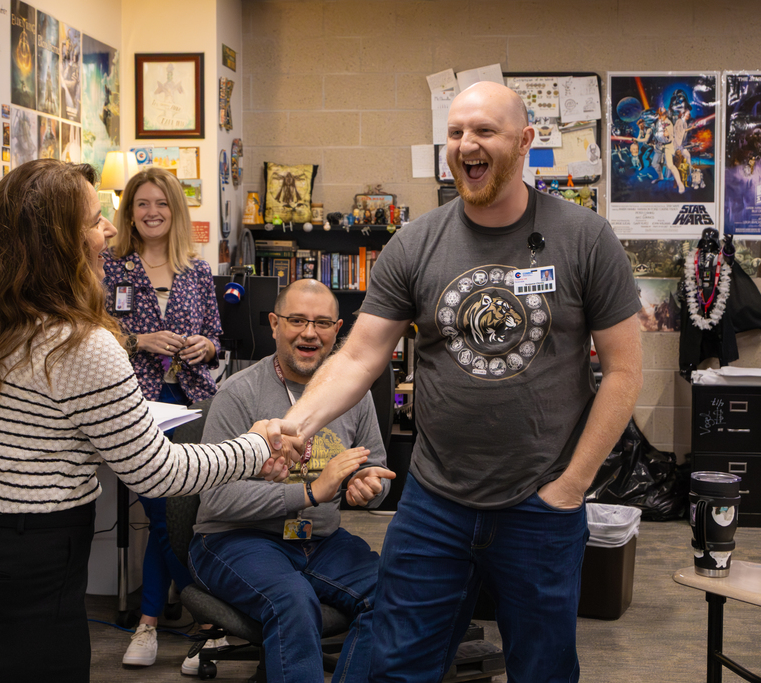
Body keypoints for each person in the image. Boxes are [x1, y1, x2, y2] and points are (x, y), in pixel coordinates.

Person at [267, 81, 643, 683]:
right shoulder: (416, 242)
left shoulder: (584, 237)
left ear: (525, 142)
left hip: (540, 503)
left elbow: (624, 371)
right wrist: (295, 426)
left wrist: (573, 485)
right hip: (435, 502)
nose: (467, 144)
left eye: (485, 132)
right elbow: (361, 355)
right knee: (398, 669)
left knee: (543, 671)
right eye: (456, 132)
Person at [0, 159, 297, 683]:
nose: (111, 230)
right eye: (96, 220)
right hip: (25, 581)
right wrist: (254, 446)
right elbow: (157, 474)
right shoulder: (84, 345)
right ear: (59, 242)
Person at [187, 278, 395, 681]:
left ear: (338, 331)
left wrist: (368, 486)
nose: (309, 333)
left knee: (394, 594)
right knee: (293, 599)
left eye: (321, 323)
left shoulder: (356, 393)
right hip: (235, 538)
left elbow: (376, 468)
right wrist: (311, 493)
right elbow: (215, 498)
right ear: (274, 324)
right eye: (297, 320)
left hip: (320, 541)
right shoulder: (238, 393)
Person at [102, 166, 225, 667]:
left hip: (192, 404)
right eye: (142, 204)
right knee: (162, 516)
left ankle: (149, 626)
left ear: (175, 210)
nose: (152, 213)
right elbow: (89, 333)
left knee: (180, 517)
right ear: (129, 211)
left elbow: (218, 337)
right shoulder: (109, 268)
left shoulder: (195, 270)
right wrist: (137, 341)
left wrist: (205, 345)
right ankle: (210, 620)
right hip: (136, 405)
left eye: (161, 204)